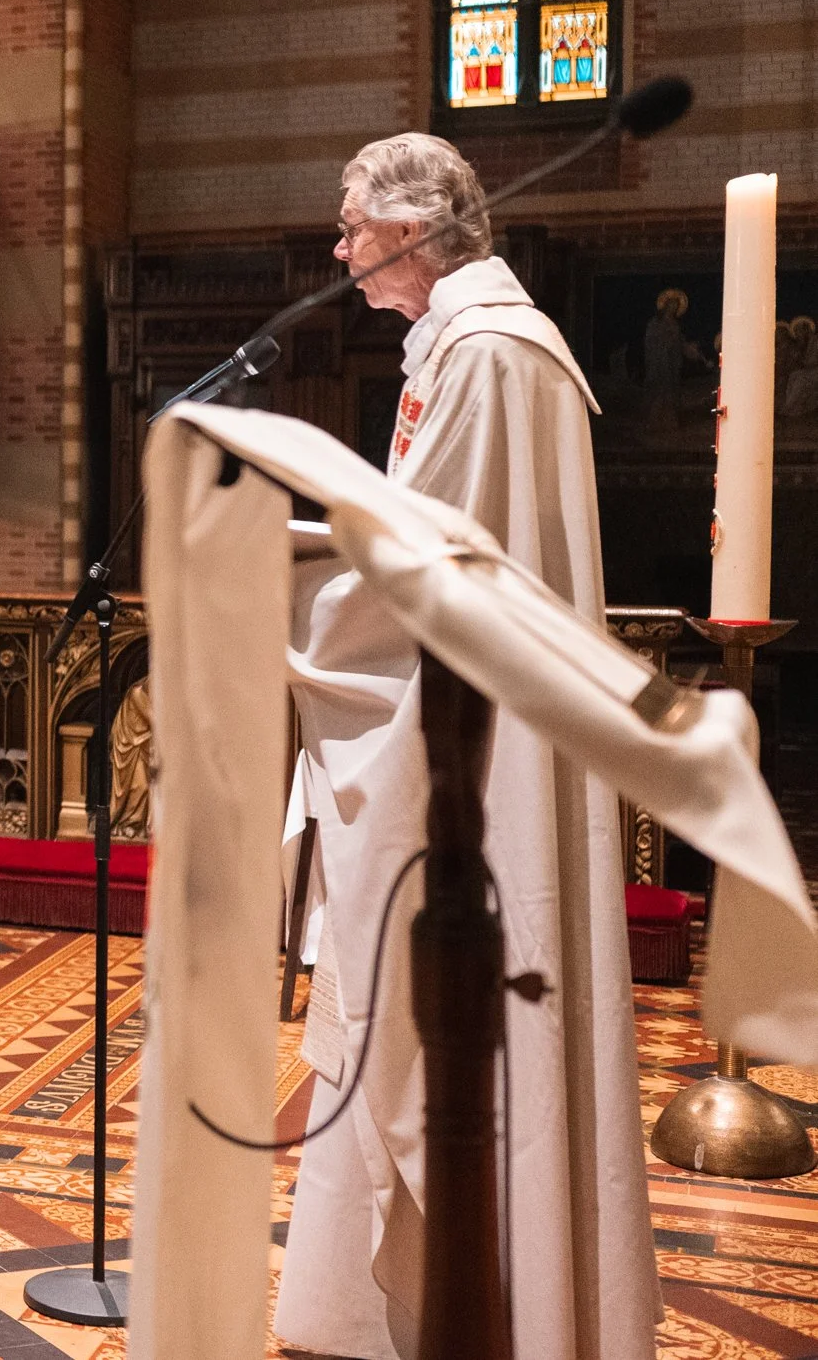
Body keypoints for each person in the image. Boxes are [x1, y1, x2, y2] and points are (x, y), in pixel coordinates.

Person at [277, 132, 654, 1360]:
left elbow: (420, 579)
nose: (338, 249)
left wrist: (276, 587)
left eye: (349, 225)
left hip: (480, 761)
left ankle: (496, 1310)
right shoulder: (458, 344)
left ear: (412, 228)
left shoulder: (489, 355)